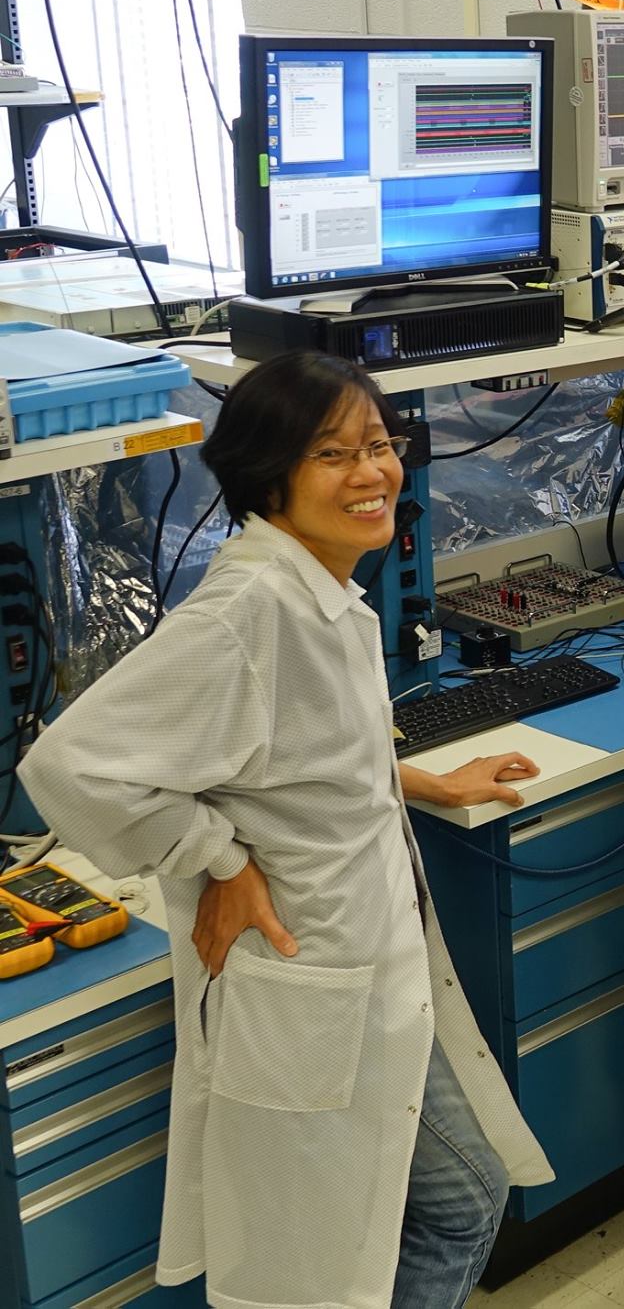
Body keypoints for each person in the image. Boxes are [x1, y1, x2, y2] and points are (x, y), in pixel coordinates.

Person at [18, 350, 553, 1308]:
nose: (374, 473)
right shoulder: (252, 608)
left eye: (380, 446)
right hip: (316, 982)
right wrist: (216, 861)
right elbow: (69, 766)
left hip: (368, 976)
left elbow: (298, 752)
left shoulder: (319, 591)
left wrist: (417, 780)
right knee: (448, 1210)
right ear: (271, 478)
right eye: (334, 455)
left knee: (406, 1226)